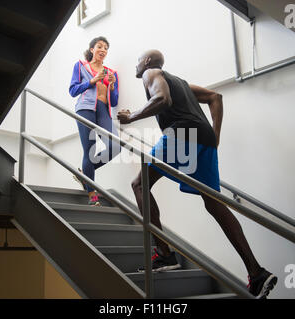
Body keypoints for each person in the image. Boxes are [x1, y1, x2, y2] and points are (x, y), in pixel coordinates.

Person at [117, 50, 277, 298]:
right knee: (214, 203)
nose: (136, 66)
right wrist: (216, 136)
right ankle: (256, 272)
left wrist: (132, 117)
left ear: (147, 62)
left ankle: (164, 254)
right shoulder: (180, 82)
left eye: (138, 60)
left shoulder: (151, 73)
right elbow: (216, 97)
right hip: (204, 139)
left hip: (181, 134)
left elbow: (162, 99)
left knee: (139, 184)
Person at [69, 36, 120, 206]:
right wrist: (92, 80)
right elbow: (73, 90)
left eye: (106, 48)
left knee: (115, 145)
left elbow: (115, 99)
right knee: (89, 151)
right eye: (100, 46)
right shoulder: (81, 66)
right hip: (85, 109)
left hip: (103, 110)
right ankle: (92, 195)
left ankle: (84, 174)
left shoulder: (111, 73)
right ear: (92, 49)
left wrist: (112, 86)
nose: (103, 50)